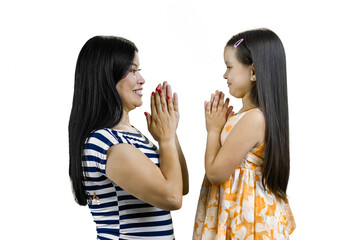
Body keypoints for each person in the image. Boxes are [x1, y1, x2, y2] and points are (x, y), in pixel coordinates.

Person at [68, 36, 189, 240]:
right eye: (132, 71)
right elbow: (172, 197)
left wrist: (169, 133)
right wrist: (166, 140)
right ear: (107, 77)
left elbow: (182, 186)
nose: (141, 80)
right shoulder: (106, 142)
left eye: (138, 71)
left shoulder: (133, 135)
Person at [193, 29, 295, 239]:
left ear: (253, 72)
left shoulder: (254, 119)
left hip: (247, 219)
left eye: (229, 67)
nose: (225, 74)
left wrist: (213, 131)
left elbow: (216, 173)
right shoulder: (246, 115)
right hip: (238, 211)